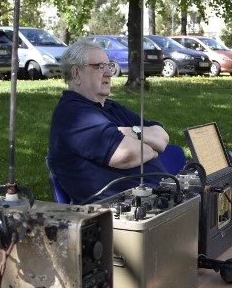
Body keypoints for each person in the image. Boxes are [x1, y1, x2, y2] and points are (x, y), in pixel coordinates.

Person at [47, 38, 170, 203]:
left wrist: (128, 132)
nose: (109, 73)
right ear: (76, 74)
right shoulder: (74, 115)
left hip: (158, 202)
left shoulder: (112, 107)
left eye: (109, 66)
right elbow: (127, 153)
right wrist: (152, 149)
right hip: (118, 218)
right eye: (99, 67)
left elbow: (162, 137)